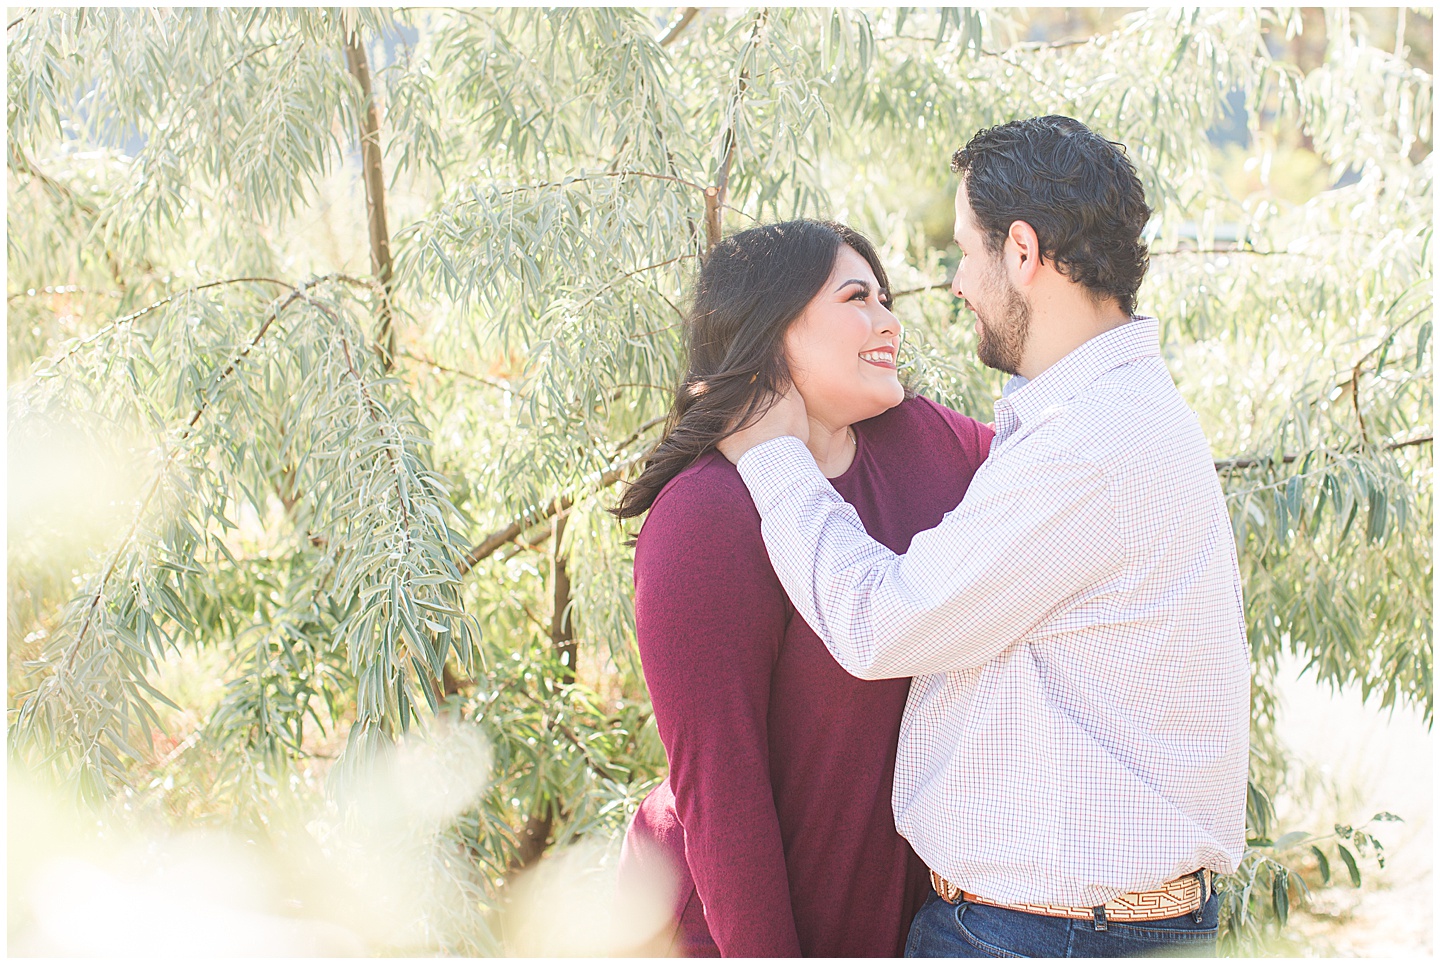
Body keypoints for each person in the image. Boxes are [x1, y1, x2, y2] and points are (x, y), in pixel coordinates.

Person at [716, 116, 1251, 958]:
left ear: (1025, 253)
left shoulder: (1087, 444)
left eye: (969, 250)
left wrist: (776, 459)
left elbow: (882, 623)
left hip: (1040, 935)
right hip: (1077, 928)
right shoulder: (1121, 415)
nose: (958, 282)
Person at [613, 219, 993, 957]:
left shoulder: (921, 442)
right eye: (859, 298)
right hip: (724, 934)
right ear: (773, 327)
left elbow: (1054, 470)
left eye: (886, 298)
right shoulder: (704, 518)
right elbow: (721, 798)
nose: (890, 321)